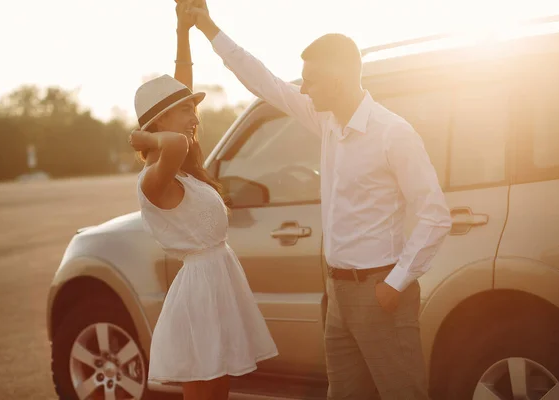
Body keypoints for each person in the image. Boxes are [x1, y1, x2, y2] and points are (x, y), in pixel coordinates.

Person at [186, 2, 453, 399]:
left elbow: (435, 216)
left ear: (338, 82)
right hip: (337, 294)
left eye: (311, 81)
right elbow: (265, 82)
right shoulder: (326, 119)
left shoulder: (392, 134)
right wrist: (208, 28)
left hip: (379, 293)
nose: (304, 90)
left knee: (403, 393)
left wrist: (394, 285)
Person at [128, 3, 278, 399]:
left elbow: (178, 123)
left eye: (194, 108)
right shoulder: (154, 179)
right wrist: (145, 139)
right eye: (184, 110)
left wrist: (183, 32)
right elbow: (175, 140)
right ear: (157, 123)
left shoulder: (185, 167)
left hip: (218, 281)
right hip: (199, 294)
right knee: (204, 392)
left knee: (219, 390)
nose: (194, 116)